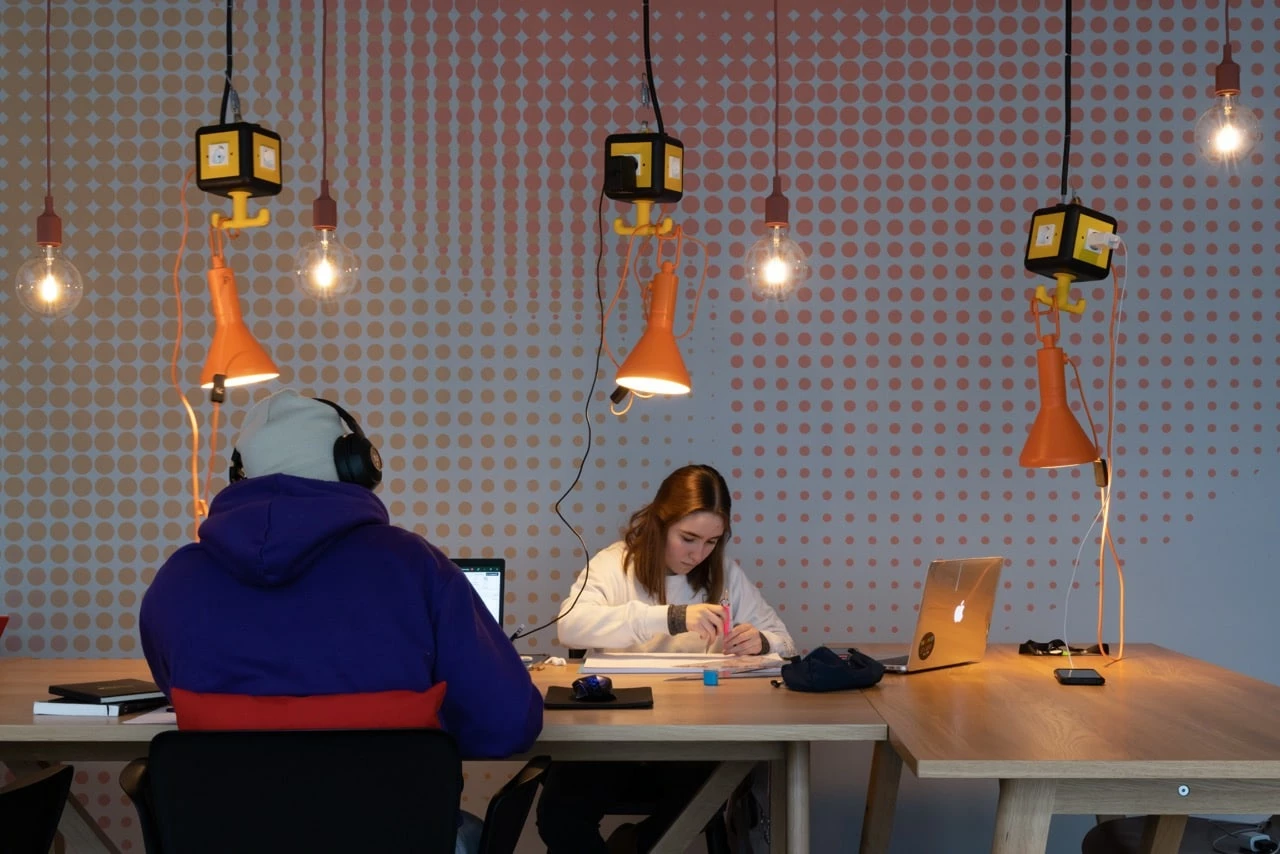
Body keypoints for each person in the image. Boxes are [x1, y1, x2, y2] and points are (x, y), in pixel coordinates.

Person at [140, 388, 542, 854]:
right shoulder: (413, 565)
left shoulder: (177, 580)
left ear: (240, 475)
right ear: (356, 465)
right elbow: (508, 723)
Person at [537, 463, 795, 854]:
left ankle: (635, 844)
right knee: (558, 815)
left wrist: (760, 641)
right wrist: (670, 617)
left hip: (691, 739)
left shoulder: (724, 573)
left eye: (711, 542)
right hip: (611, 737)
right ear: (660, 522)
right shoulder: (614, 564)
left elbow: (786, 644)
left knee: (712, 795)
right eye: (688, 538)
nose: (697, 554)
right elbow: (570, 626)